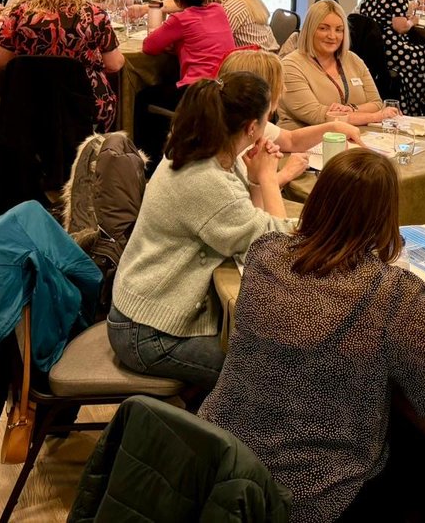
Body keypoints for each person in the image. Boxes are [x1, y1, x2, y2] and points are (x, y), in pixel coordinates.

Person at [199, 149, 425, 523]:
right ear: (384, 219)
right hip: (315, 490)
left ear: (317, 201)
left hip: (222, 459)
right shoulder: (388, 292)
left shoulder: (265, 254)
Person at [108, 73, 290, 389]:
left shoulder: (200, 147)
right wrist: (270, 178)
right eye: (267, 120)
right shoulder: (207, 180)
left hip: (144, 309)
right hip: (148, 332)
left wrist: (257, 179)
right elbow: (277, 245)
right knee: (274, 374)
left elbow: (249, 221)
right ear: (252, 128)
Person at [0, 0, 124, 131]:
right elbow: (114, 65)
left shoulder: (20, 13)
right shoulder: (95, 15)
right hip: (84, 102)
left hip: (28, 100)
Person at [219, 49, 365, 185]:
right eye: (279, 85)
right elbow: (243, 199)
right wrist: (286, 174)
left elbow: (291, 140)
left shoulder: (242, 122)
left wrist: (334, 126)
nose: (284, 90)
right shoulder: (228, 148)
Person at [137, 0, 235, 161]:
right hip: (223, 85)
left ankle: (149, 160)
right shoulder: (219, 10)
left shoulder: (181, 19)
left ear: (176, 0)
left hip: (196, 91)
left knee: (143, 97)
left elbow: (149, 46)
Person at [279, 0, 401, 129]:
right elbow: (318, 116)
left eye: (339, 30)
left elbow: (376, 103)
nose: (332, 36)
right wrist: (375, 117)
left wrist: (350, 109)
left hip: (355, 137)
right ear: (310, 30)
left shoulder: (353, 59)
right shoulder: (290, 66)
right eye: (323, 28)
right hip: (304, 141)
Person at [359, 0, 425, 115]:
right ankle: (423, 102)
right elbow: (400, 27)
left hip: (373, 49)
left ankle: (418, 99)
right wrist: (412, 21)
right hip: (392, 49)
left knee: (423, 54)